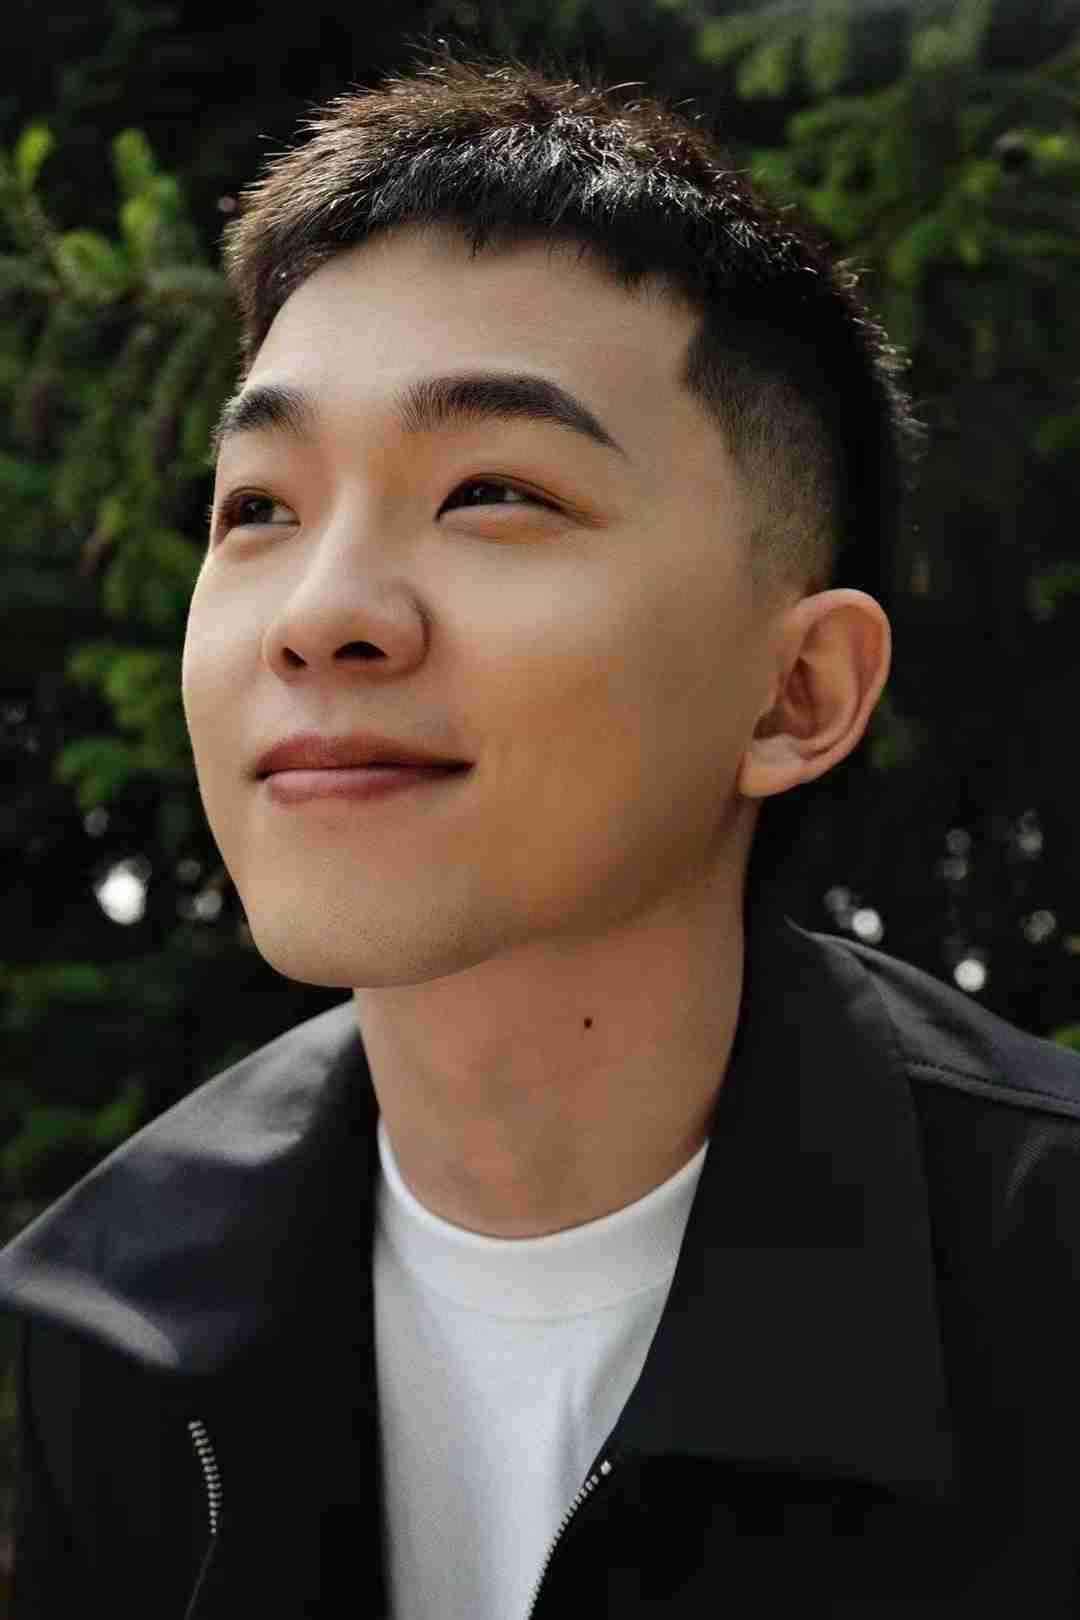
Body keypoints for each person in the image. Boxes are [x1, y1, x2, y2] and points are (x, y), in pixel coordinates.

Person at [3, 42, 1080, 1620]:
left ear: (796, 693)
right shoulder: (108, 1318)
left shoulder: (1043, 1289)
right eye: (259, 508)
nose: (320, 613)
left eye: (493, 493)